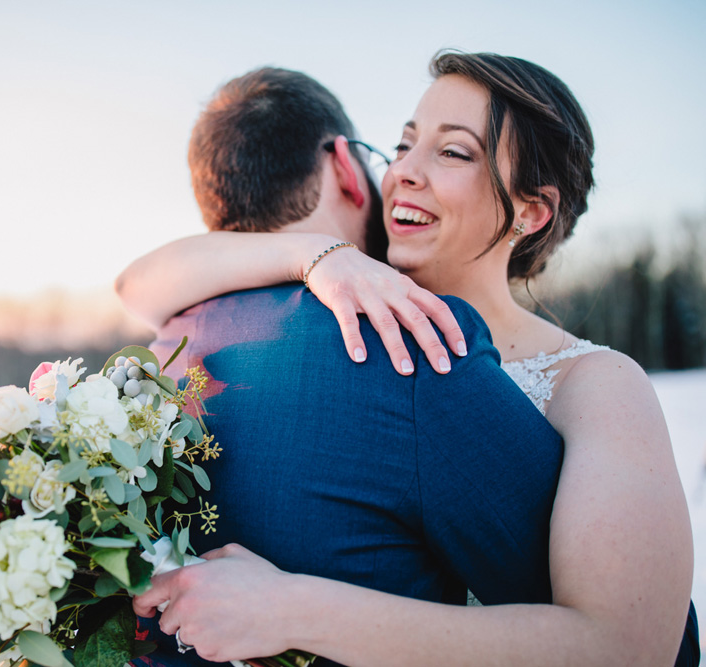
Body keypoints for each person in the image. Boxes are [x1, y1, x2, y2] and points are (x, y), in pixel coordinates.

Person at [120, 54, 698, 665]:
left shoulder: (597, 384)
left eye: (453, 153)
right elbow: (138, 285)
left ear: (531, 211)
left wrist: (289, 610)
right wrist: (318, 253)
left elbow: (632, 649)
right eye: (401, 145)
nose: (403, 174)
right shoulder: (351, 318)